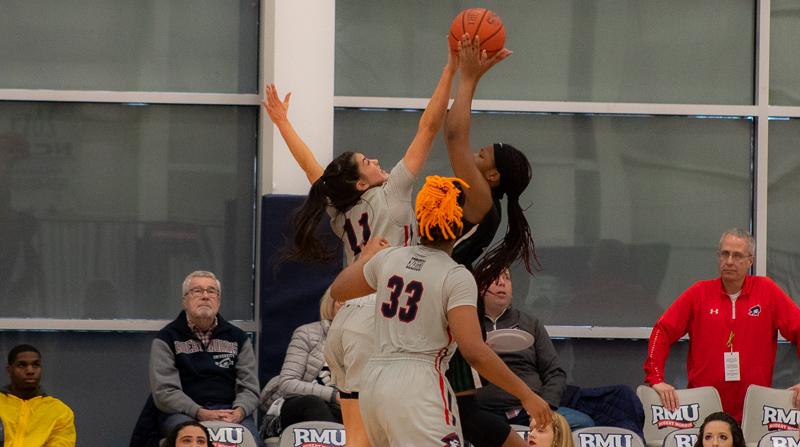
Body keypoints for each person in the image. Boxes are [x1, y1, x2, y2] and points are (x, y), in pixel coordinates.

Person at [263, 41, 458, 446]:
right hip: (382, 321)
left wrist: (282, 124)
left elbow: (309, 167)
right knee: (396, 432)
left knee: (357, 438)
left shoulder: (339, 206)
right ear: (362, 182)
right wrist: (451, 68)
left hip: (343, 321)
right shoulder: (394, 191)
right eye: (368, 162)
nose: (376, 161)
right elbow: (428, 126)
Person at [329, 175, 552, 446]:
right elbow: (474, 351)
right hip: (419, 384)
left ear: (421, 217)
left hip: (374, 381)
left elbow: (339, 290)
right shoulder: (455, 275)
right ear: (459, 225)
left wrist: (365, 257)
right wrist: (526, 394)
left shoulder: (390, 258)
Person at [443, 34, 541, 447]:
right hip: (450, 290)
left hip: (444, 295)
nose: (474, 155)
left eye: (482, 155)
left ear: (493, 176)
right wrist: (471, 78)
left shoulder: (482, 197)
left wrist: (466, 79)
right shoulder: (484, 199)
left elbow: (452, 136)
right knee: (464, 413)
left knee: (454, 411)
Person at [644, 229, 800, 423]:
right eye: (725, 254)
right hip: (704, 407)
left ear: (750, 261)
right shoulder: (699, 294)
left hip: (754, 408)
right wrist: (656, 378)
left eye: (737, 255)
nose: (729, 261)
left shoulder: (766, 292)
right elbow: (662, 331)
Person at [149, 270, 262, 446]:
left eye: (211, 291)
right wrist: (199, 412)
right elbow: (165, 392)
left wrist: (238, 412)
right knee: (189, 440)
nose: (205, 296)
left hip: (230, 412)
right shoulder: (166, 338)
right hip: (183, 413)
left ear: (218, 300)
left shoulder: (239, 338)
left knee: (252, 441)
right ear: (184, 300)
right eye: (197, 291)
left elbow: (250, 388)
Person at [477, 268, 595, 430]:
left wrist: (544, 407)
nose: (502, 283)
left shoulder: (530, 323)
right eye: (494, 277)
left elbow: (555, 373)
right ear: (478, 286)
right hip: (484, 412)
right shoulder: (468, 325)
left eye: (507, 278)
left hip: (529, 410)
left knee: (583, 424)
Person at [260, 292, 343, 437]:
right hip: (300, 404)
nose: (345, 304)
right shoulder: (307, 333)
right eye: (341, 299)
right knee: (314, 404)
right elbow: (287, 383)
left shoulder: (367, 340)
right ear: (331, 303)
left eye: (352, 301)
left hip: (344, 407)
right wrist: (333, 395)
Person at [0, 344, 76, 447]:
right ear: (9, 370)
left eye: (36, 365)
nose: (30, 371)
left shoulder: (59, 411)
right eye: (22, 365)